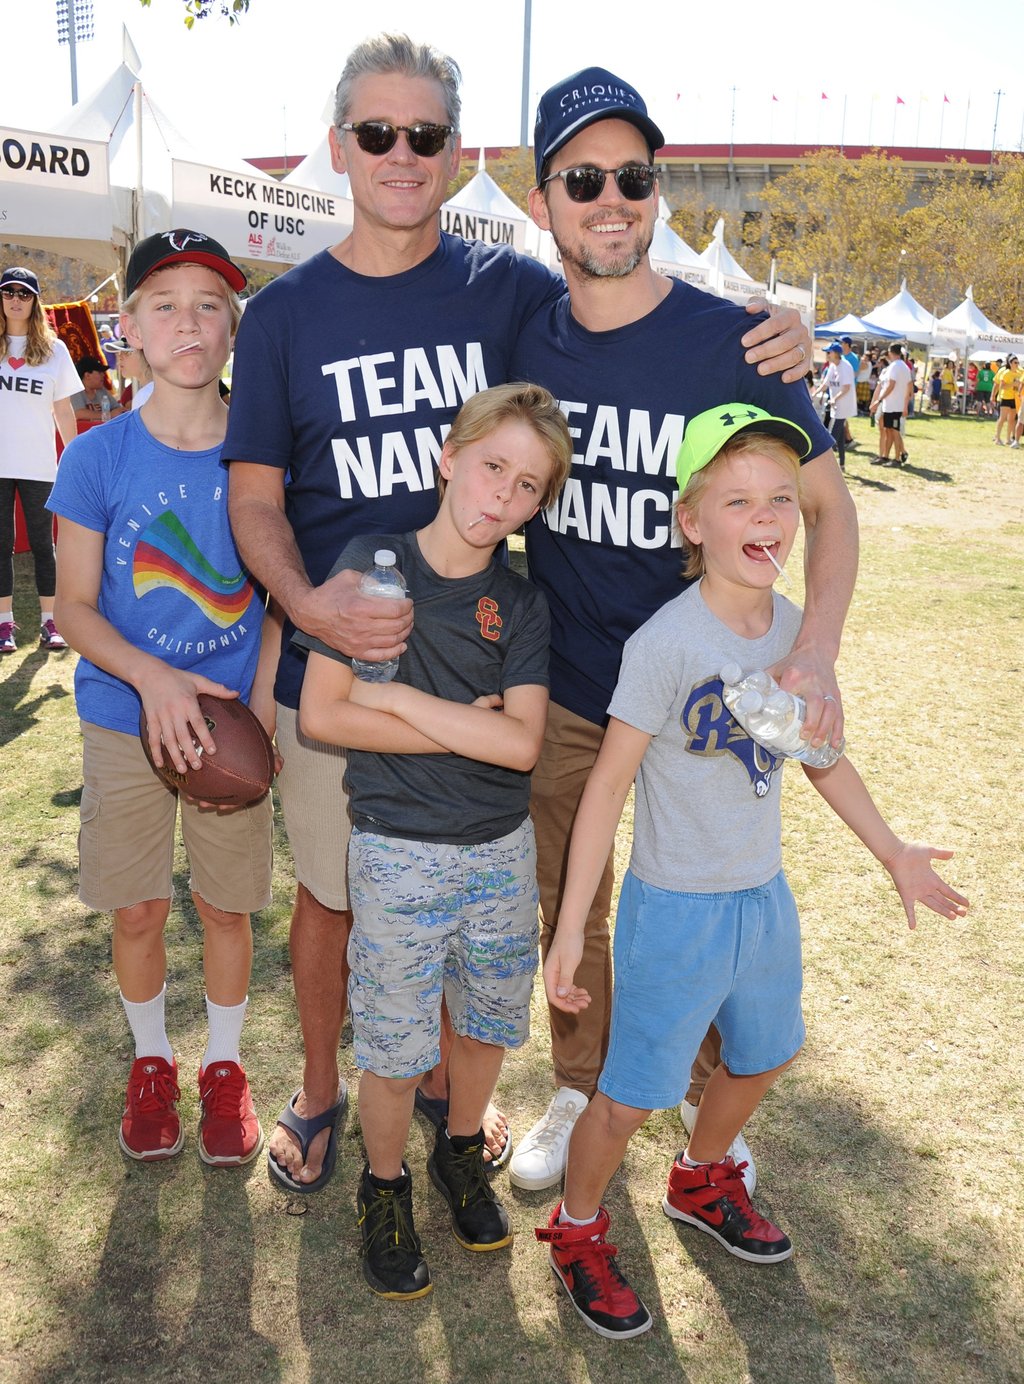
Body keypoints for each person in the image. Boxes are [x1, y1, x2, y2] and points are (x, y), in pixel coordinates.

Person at [224, 34, 809, 1193]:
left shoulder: (512, 292)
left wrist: (777, 319)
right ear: (339, 144)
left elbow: (626, 296)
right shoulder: (285, 312)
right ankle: (327, 1087)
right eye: (378, 133)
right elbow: (252, 496)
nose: (402, 155)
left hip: (505, 662)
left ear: (458, 155)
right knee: (340, 893)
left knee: (512, 896)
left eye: (426, 135)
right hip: (353, 663)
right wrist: (308, 607)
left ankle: (470, 1096)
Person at [535, 402, 969, 1339]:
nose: (765, 517)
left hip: (762, 899)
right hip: (674, 910)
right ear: (693, 522)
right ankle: (576, 1228)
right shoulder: (663, 644)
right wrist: (571, 931)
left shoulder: (795, 635)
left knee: (766, 1055)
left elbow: (820, 754)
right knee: (632, 1096)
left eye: (780, 498)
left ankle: (701, 1179)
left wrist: (891, 850)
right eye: (737, 500)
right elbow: (606, 789)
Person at [506, 67, 857, 1194]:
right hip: (573, 684)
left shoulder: (737, 340)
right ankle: (578, 1082)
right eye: (583, 179)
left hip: (710, 695)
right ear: (545, 197)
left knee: (707, 904)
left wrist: (817, 650)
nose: (610, 199)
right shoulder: (522, 332)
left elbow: (831, 507)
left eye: (632, 176)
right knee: (578, 902)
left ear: (656, 190)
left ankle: (709, 1115)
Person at [293, 382, 570, 1298]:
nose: (503, 496)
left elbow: (522, 742)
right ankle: (383, 1187)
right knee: (397, 1047)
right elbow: (326, 713)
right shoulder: (373, 563)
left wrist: (404, 699)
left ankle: (460, 1151)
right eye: (493, 466)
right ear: (449, 458)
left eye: (529, 486)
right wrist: (465, 719)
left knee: (486, 1027)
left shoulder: (521, 603)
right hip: (398, 846)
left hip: (499, 850)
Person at [47, 230, 278, 1167]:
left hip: (230, 722)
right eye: (166, 303)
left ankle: (224, 1068)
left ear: (232, 330)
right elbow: (69, 604)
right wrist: (150, 678)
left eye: (210, 304)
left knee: (226, 909)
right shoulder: (98, 459)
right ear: (130, 327)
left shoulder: (266, 457)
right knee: (138, 907)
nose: (189, 320)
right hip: (121, 717)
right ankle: (152, 1062)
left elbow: (273, 600)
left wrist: (258, 710)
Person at [0, 266, 79, 654]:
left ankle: (51, 621)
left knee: (44, 544)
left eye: (24, 293)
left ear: (35, 301)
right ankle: (4, 624)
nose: (15, 299)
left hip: (39, 465)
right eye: (8, 292)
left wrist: (76, 457)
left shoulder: (54, 349)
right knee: (1, 544)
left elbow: (62, 410)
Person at [815, 341, 856, 469]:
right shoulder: (832, 366)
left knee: (832, 436)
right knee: (839, 438)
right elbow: (825, 384)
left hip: (843, 405)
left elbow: (846, 388)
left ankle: (826, 466)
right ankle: (842, 464)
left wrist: (834, 399)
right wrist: (813, 394)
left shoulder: (846, 366)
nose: (827, 355)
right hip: (835, 405)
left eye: (829, 352)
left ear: (835, 353)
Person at [869, 344, 912, 467]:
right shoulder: (904, 367)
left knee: (894, 432)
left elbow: (891, 385)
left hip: (893, 405)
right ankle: (885, 456)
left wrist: (879, 400)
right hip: (893, 405)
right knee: (889, 431)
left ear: (890, 352)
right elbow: (909, 387)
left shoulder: (895, 366)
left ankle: (897, 458)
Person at [71, 355, 126, 426]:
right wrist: (109, 415)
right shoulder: (75, 390)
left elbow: (118, 409)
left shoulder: (102, 390)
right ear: (87, 375)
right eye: (100, 372)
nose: (103, 375)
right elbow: (78, 413)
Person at [991, 355, 1021, 445]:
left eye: (1018, 362)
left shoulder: (1019, 373)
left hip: (1014, 398)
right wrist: (1013, 384)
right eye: (1015, 362)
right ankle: (997, 438)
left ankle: (1008, 439)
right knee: (1002, 418)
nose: (1017, 364)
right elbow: (1002, 386)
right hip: (1005, 397)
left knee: (1012, 419)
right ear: (1010, 363)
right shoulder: (1006, 373)